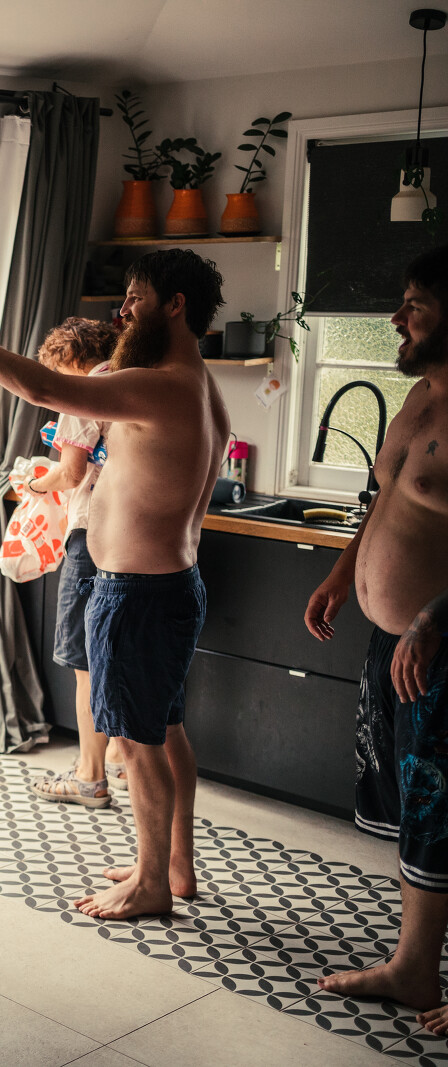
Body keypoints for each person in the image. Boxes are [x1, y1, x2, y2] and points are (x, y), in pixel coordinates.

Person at [0, 249, 229, 919]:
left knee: (139, 745)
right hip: (172, 586)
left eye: (135, 298)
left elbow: (43, 388)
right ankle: (174, 865)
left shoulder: (160, 386)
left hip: (136, 594)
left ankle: (152, 883)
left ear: (175, 305)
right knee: (167, 731)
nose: (122, 311)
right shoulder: (200, 384)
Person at [304, 246, 448, 1035]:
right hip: (392, 641)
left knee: (445, 813)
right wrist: (341, 573)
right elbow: (383, 501)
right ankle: (414, 964)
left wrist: (431, 619)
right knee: (414, 812)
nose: (396, 318)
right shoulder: (420, 397)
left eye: (414, 304)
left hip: (438, 647)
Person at [21, 317, 129, 808]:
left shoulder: (84, 393)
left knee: (83, 658)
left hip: (90, 533)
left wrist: (33, 482)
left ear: (71, 358)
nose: (54, 381)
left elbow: (70, 473)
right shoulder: (131, 384)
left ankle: (89, 775)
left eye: (56, 370)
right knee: (114, 650)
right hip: (129, 536)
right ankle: (118, 758)